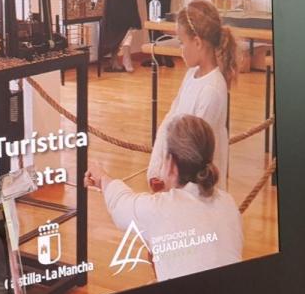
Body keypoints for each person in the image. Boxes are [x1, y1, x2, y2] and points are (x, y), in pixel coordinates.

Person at [86, 115, 243, 281]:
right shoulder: (228, 203)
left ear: (172, 164)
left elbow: (120, 204)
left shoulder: (160, 209)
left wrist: (101, 176)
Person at [146, 0, 238, 190]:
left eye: (182, 42)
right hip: (177, 180)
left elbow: (194, 151)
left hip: (197, 190)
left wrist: (170, 180)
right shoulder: (190, 75)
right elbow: (170, 121)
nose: (180, 49)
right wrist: (156, 169)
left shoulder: (212, 90)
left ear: (197, 42)